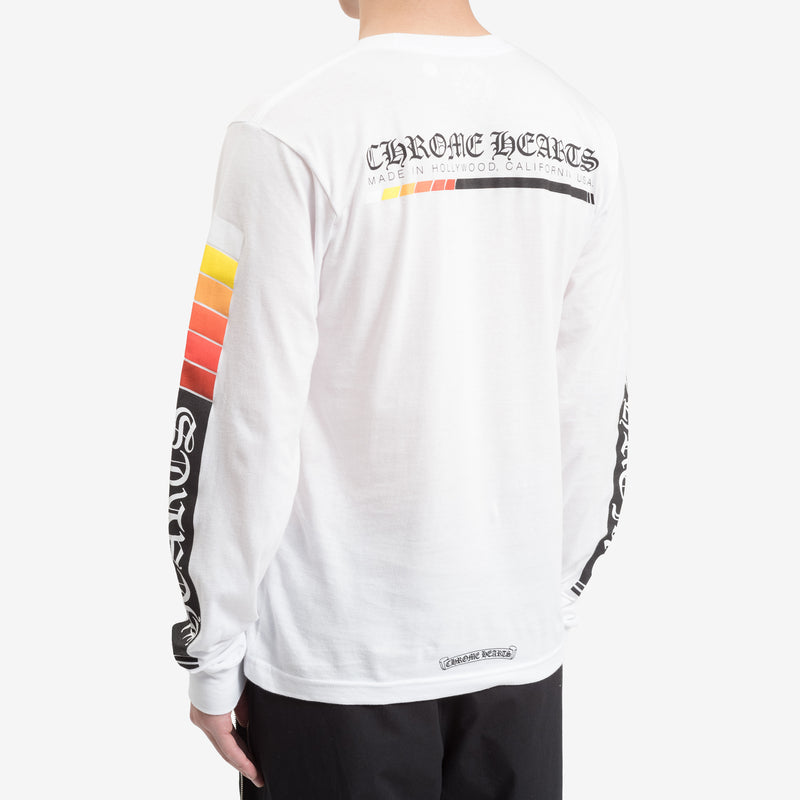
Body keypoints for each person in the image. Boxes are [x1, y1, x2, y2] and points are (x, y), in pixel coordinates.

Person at [166, 0, 632, 797]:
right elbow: (595, 398)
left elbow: (236, 413)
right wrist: (548, 601)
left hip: (336, 663)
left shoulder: (284, 133)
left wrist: (212, 650)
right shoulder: (583, 134)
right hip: (516, 650)